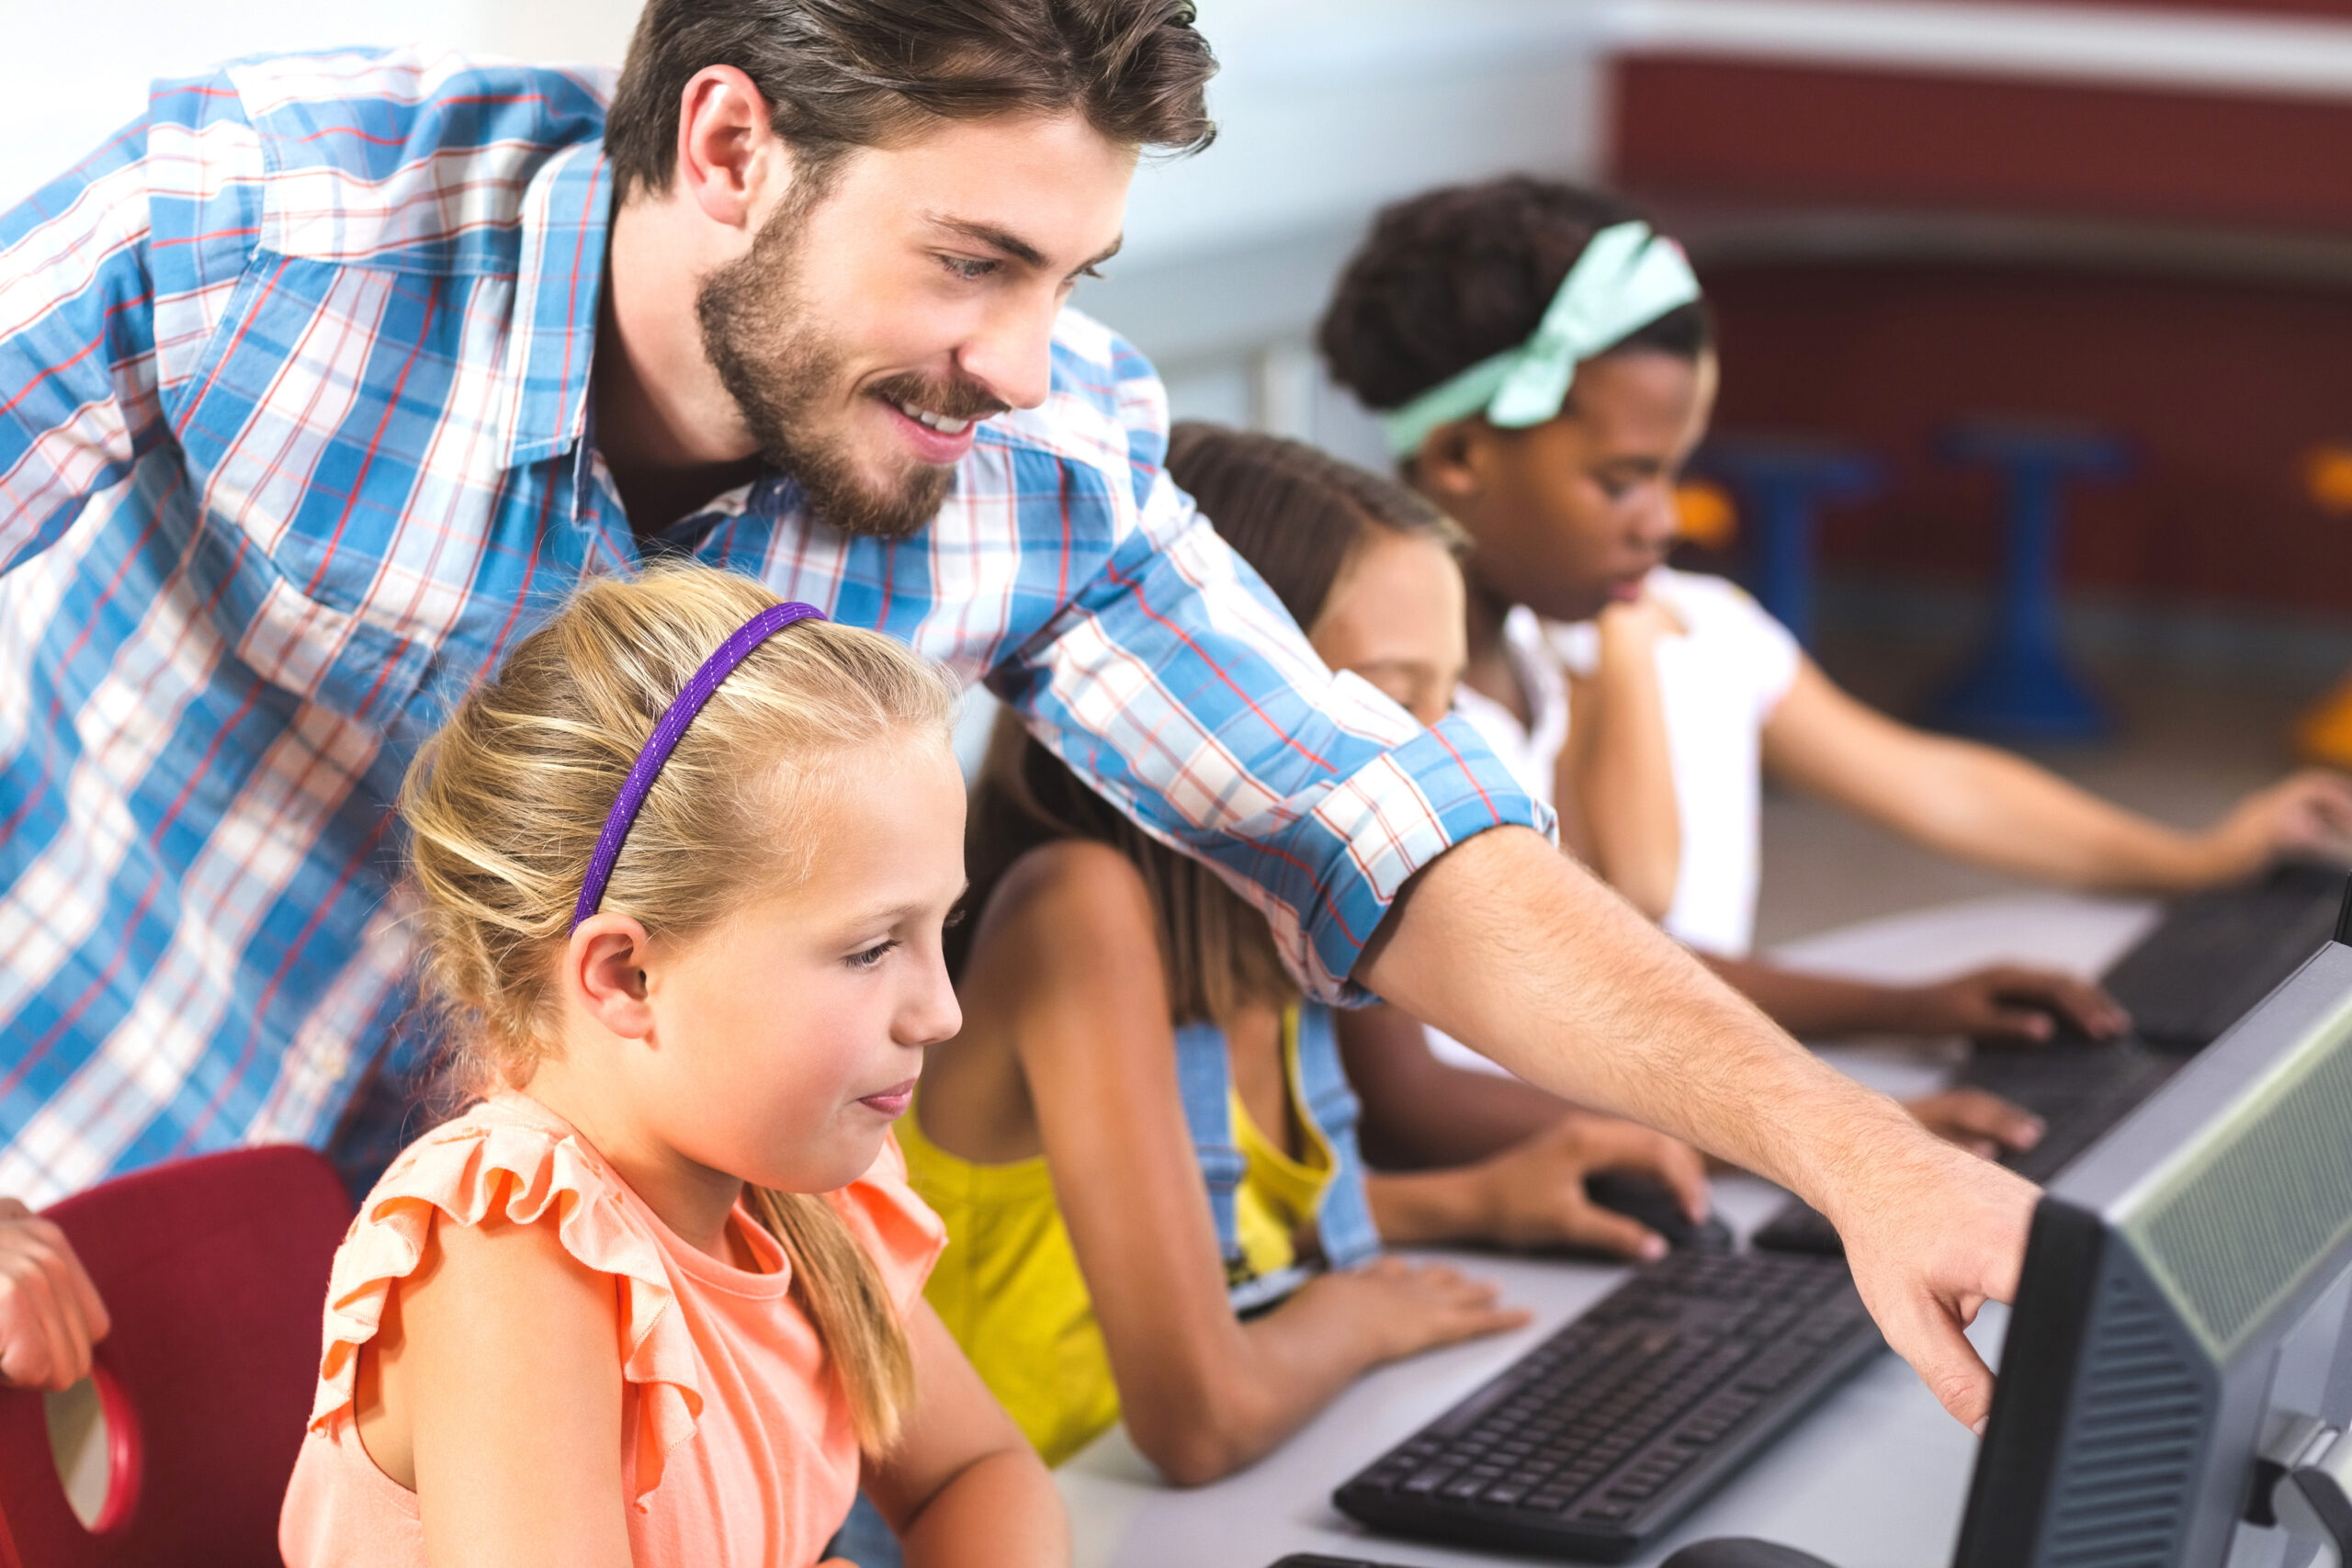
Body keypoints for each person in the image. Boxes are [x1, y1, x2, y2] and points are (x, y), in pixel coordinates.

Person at [0, 1, 2035, 1436]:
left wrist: (1856, 1161)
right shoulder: (262, 230)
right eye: (972, 261)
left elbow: (1377, 826)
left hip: (589, 1331)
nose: (1020, 361)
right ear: (729, 147)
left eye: (1070, 273)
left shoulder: (1038, 468)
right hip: (80, 1211)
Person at [1314, 177, 2352, 1084]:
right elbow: (1631, 920)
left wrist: (2194, 858)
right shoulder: (1406, 707)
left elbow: (1938, 783)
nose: (1664, 520)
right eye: (1622, 480)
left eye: (1674, 473)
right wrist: (1897, 1014)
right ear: (1458, 460)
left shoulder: (1699, 628)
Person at [907, 426, 1709, 1482]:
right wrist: (1358, 1320)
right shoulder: (1081, 917)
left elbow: (1200, 1229)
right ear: (1201, 704)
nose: (1430, 759)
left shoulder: (1278, 925)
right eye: (1383, 699)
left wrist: (1475, 1203)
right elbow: (1202, 1422)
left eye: (1443, 704)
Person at [277, 564, 1065, 1565]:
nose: (943, 1012)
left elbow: (982, 1475)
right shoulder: (507, 1243)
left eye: (938, 929)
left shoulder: (797, 1183)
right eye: (871, 949)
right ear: (626, 975)